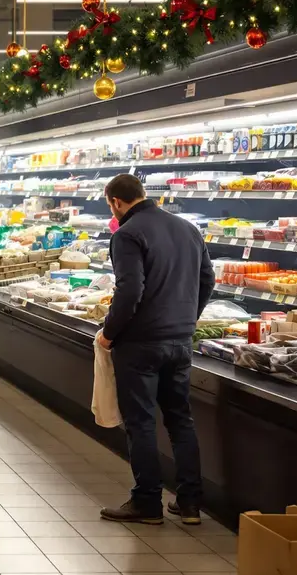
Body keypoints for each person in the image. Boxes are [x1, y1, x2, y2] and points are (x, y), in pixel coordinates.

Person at [95, 174, 210, 525]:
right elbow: (207, 280)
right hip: (181, 340)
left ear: (115, 202)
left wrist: (109, 333)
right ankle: (190, 503)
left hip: (141, 343)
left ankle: (147, 502)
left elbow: (130, 291)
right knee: (180, 419)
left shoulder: (127, 234)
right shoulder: (188, 228)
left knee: (141, 422)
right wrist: (187, 319)